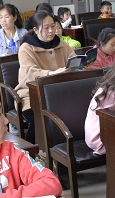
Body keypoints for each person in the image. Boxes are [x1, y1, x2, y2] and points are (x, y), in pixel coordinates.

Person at [16, 11, 76, 143]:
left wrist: (80, 64)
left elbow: (73, 59)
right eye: (46, 27)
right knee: (39, 119)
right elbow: (29, 72)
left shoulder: (61, 43)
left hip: (59, 91)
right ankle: (31, 150)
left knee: (74, 113)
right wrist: (50, 73)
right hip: (31, 94)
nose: (51, 31)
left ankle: (60, 148)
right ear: (36, 30)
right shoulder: (26, 48)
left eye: (53, 26)